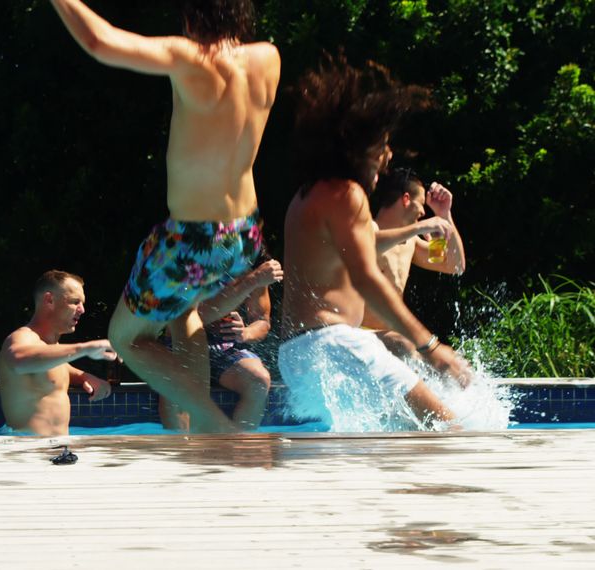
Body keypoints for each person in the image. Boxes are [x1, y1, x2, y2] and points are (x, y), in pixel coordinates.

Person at [50, 0, 281, 432]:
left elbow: (99, 40)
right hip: (243, 236)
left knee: (126, 338)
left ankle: (217, 427)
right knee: (184, 313)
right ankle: (189, 428)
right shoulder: (268, 57)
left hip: (193, 238)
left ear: (192, 14)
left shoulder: (189, 57)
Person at [278, 55, 471, 432]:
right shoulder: (344, 194)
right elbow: (366, 277)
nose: (388, 154)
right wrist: (432, 349)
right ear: (358, 147)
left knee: (385, 442)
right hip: (332, 345)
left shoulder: (309, 195)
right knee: (449, 428)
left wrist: (443, 220)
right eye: (383, 144)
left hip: (302, 353)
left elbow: (453, 264)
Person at [160, 256, 283, 431]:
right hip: (183, 340)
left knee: (258, 381)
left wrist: (245, 333)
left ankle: (239, 448)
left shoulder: (253, 268)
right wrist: (252, 281)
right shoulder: (191, 260)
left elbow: (262, 321)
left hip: (225, 347)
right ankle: (183, 450)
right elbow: (192, 316)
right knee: (178, 387)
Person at [0, 270, 116, 436]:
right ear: (50, 300)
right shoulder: (22, 337)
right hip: (26, 451)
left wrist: (84, 376)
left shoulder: (51, 348)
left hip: (56, 451)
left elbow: (58, 369)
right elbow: (18, 361)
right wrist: (84, 348)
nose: (82, 310)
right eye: (75, 302)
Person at [362, 168, 467, 356]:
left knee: (447, 358)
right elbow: (366, 245)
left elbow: (454, 265)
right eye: (420, 204)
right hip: (357, 333)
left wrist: (444, 213)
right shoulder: (369, 227)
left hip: (389, 338)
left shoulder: (410, 242)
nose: (423, 211)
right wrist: (421, 227)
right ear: (406, 199)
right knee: (406, 346)